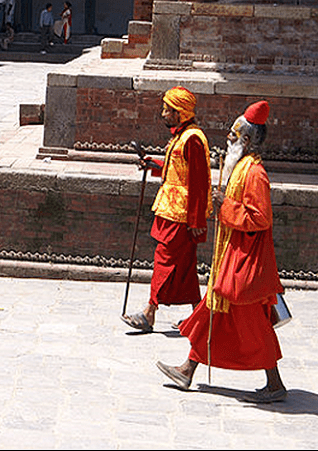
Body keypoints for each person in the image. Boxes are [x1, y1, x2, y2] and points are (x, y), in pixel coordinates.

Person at [157, 100, 288, 404]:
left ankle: (275, 383)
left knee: (251, 320)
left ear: (246, 139)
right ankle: (188, 369)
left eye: (233, 133)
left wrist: (223, 205)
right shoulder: (239, 168)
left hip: (246, 260)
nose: (228, 137)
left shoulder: (254, 173)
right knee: (212, 310)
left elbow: (260, 218)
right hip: (231, 254)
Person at [122, 86, 212, 332]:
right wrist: (152, 163)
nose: (163, 114)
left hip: (180, 215)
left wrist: (196, 221)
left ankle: (149, 312)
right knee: (184, 267)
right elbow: (176, 168)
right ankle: (200, 318)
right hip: (170, 210)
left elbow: (198, 182)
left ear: (180, 113)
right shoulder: (181, 137)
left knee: (165, 260)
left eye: (168, 110)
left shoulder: (193, 138)